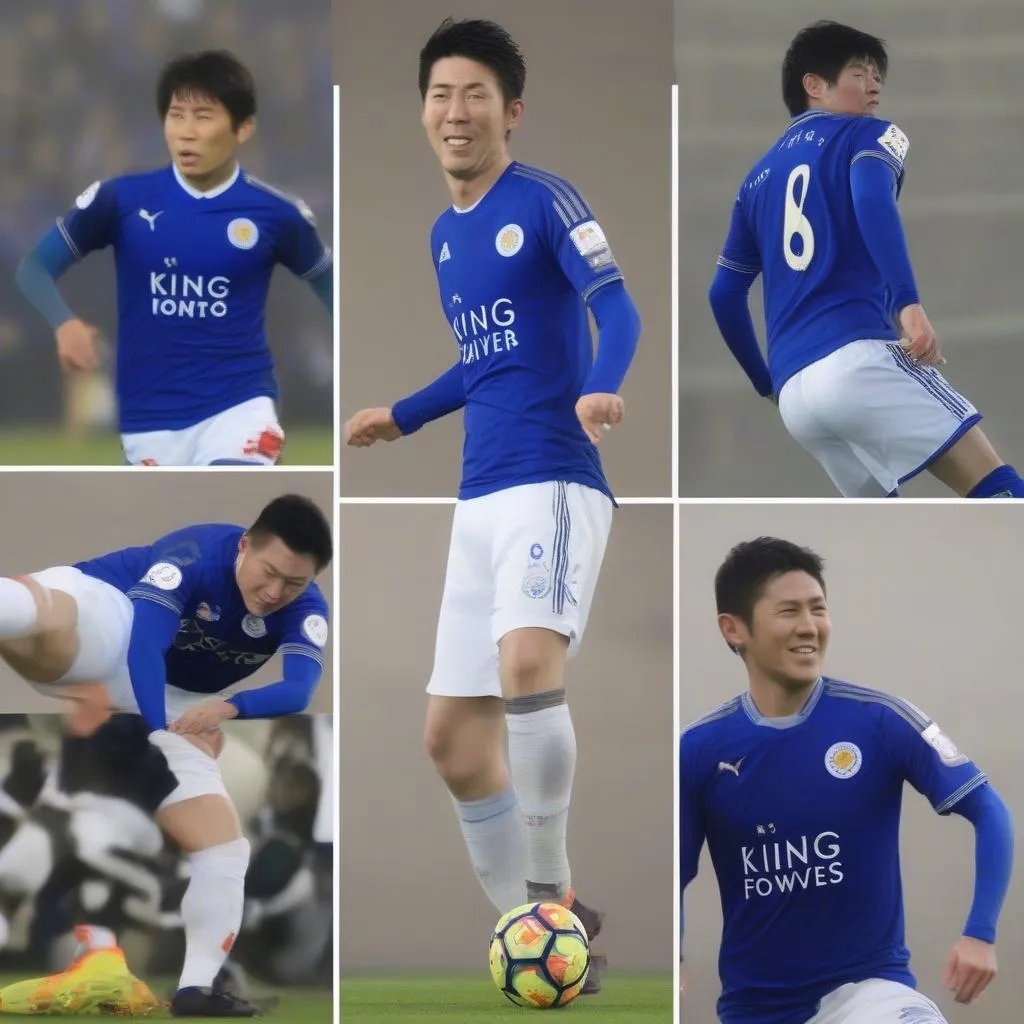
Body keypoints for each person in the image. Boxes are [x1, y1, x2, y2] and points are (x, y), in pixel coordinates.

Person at [343, 17, 642, 994]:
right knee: (449, 739)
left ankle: (553, 896)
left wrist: (602, 382)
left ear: (510, 111)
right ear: (423, 112)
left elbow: (618, 304)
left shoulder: (546, 198)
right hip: (476, 497)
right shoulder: (443, 235)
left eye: (475, 93)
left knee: (525, 665)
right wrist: (404, 414)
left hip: (552, 478)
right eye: (439, 93)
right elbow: (486, 361)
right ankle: (543, 928)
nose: (455, 111)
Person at [0, 493, 332, 1017]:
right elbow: (144, 647)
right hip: (117, 620)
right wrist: (162, 734)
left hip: (172, 703)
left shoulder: (308, 610)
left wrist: (225, 709)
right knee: (49, 619)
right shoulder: (194, 553)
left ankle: (195, 991)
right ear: (245, 546)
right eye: (268, 573)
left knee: (225, 850)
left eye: (293, 584)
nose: (274, 593)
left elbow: (299, 692)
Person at [679, 537, 1014, 1023]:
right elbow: (677, 874)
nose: (809, 626)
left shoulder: (880, 721)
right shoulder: (700, 750)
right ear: (734, 629)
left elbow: (990, 811)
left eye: (818, 609)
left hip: (869, 996)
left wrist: (980, 932)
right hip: (756, 1010)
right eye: (788, 611)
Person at [707, 21, 1024, 498]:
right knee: (999, 490)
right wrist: (908, 303)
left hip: (796, 395)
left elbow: (724, 293)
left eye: (877, 74)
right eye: (859, 73)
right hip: (857, 359)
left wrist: (766, 383)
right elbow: (872, 201)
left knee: (882, 531)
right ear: (813, 84)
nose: (874, 85)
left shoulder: (754, 181)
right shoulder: (870, 134)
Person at [15, 50, 333, 467]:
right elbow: (34, 268)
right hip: (148, 419)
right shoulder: (121, 199)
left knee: (230, 496)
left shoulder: (277, 213)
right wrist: (64, 323)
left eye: (203, 117)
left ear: (243, 128)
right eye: (176, 115)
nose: (186, 132)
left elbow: (332, 287)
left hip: (239, 409)